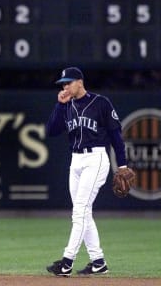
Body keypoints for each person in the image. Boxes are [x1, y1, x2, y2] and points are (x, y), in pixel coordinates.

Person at [45, 67, 128, 277]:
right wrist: (59, 105)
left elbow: (116, 135)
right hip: (76, 160)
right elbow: (51, 130)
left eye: (68, 82)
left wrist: (123, 165)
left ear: (80, 82)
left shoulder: (100, 103)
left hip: (96, 159)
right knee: (83, 211)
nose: (65, 86)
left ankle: (66, 262)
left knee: (79, 211)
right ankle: (98, 261)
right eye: (63, 84)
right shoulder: (67, 105)